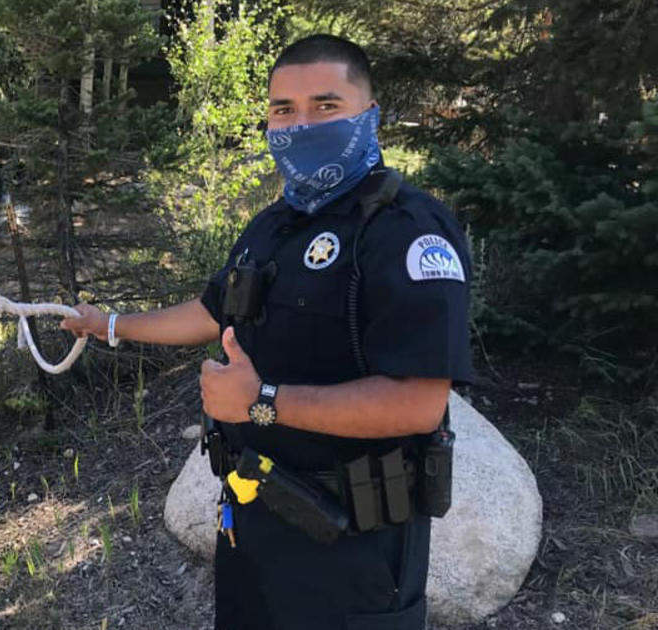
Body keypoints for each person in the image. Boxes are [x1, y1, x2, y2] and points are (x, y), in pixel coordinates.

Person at [61, 34, 472, 630]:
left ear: (370, 115)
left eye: (325, 107)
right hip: (255, 516)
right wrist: (112, 326)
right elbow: (213, 312)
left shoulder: (406, 231)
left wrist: (262, 403)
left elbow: (418, 402)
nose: (300, 125)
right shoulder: (274, 225)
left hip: (353, 546)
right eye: (284, 110)